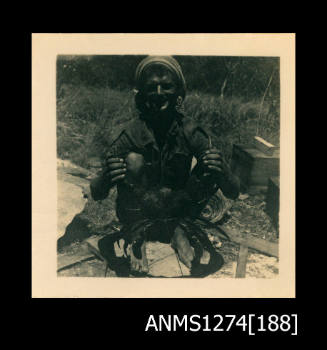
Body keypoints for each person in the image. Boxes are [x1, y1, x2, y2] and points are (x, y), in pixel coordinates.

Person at [90, 56, 240, 277]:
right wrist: (107, 175)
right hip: (140, 213)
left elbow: (233, 190)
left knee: (209, 163)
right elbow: (97, 192)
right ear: (142, 94)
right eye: (152, 87)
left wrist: (222, 169)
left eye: (167, 86)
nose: (159, 93)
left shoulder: (192, 131)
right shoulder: (130, 133)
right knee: (132, 160)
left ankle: (180, 233)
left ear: (179, 92)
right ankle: (137, 237)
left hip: (180, 211)